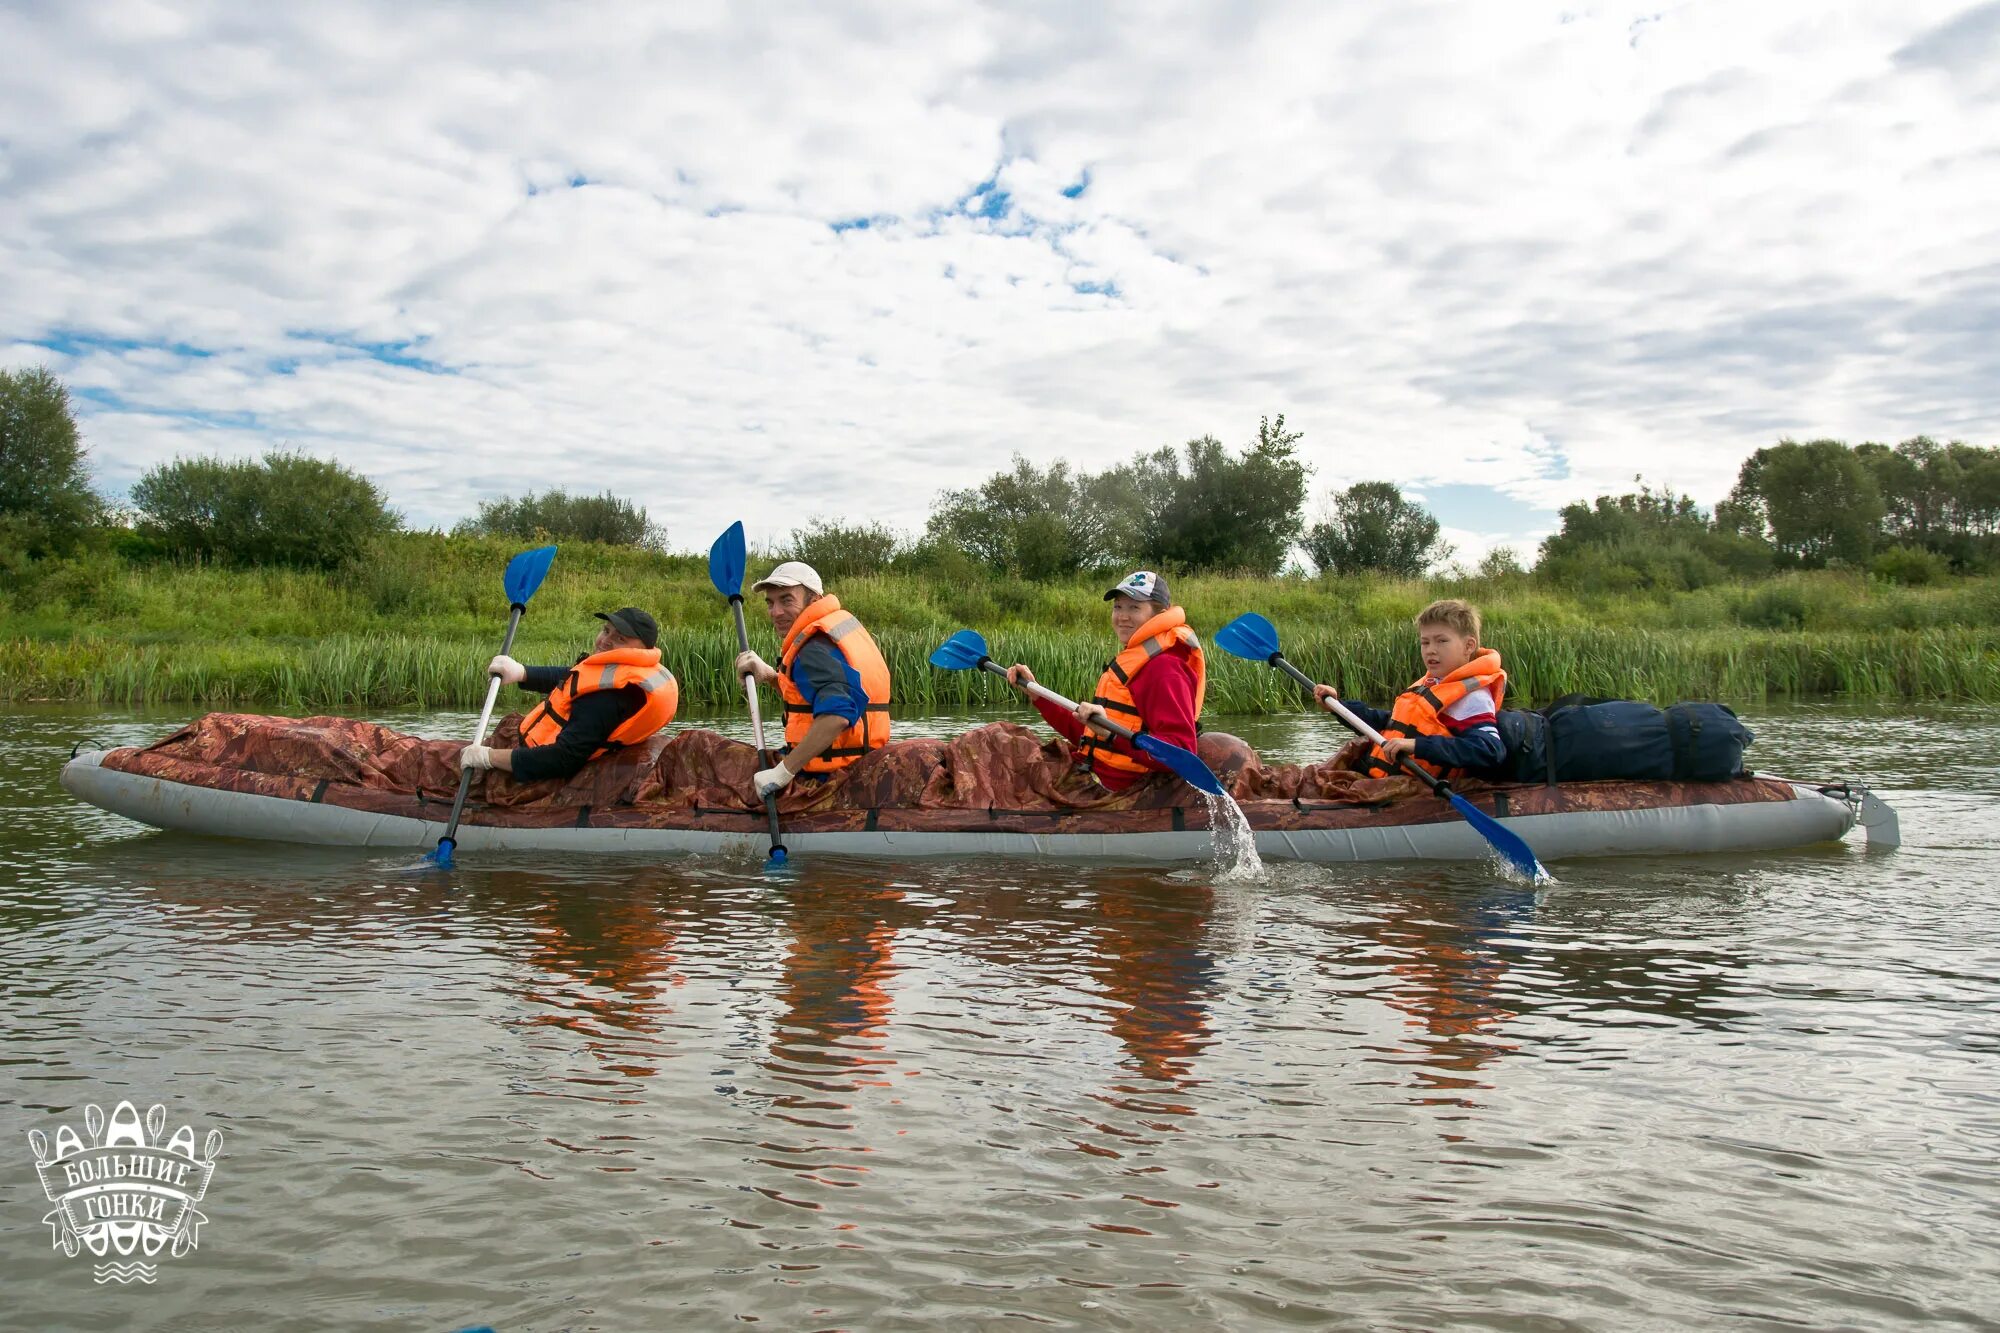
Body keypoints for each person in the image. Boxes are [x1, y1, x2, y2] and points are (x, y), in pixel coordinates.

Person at [1006, 570, 1204, 793]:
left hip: (1118, 791)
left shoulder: (1165, 669)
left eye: (1134, 607)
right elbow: (1089, 736)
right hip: (1090, 773)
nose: (1123, 616)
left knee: (996, 744)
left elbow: (1181, 752)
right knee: (1005, 741)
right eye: (1118, 606)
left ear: (1159, 614)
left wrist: (1111, 734)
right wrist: (1037, 694)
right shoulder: (1135, 659)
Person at [460, 606, 679, 782]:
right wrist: (522, 672)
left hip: (545, 764)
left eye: (620, 638)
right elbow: (574, 678)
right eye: (606, 630)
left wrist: (488, 758)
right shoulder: (624, 669)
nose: (605, 640)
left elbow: (563, 759)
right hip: (544, 745)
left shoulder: (605, 698)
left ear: (644, 648)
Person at [732, 561, 893, 799]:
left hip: (831, 777)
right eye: (771, 602)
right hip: (862, 762)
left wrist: (782, 773)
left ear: (814, 600)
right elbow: (813, 700)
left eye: (787, 600)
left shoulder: (814, 648)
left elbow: (837, 716)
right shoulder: (833, 632)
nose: (775, 612)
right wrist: (770, 676)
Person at [1315, 597, 1505, 778]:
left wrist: (1417, 745)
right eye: (1425, 642)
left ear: (1468, 646)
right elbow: (1391, 724)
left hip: (1421, 789)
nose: (1431, 649)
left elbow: (1489, 750)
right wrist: (1339, 706)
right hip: (1383, 777)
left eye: (1441, 641)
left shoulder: (1473, 697)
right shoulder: (1431, 684)